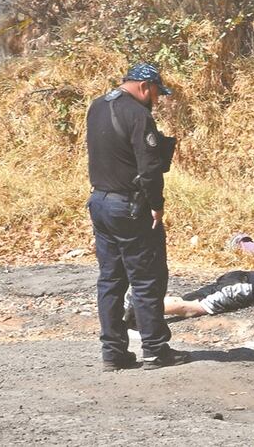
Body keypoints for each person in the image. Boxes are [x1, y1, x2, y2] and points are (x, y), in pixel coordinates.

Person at [86, 62, 186, 372]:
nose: (157, 100)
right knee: (146, 279)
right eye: (156, 93)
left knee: (111, 280)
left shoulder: (97, 106)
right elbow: (149, 168)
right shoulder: (138, 114)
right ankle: (155, 350)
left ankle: (113, 353)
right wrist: (157, 204)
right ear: (145, 87)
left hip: (100, 202)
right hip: (129, 207)